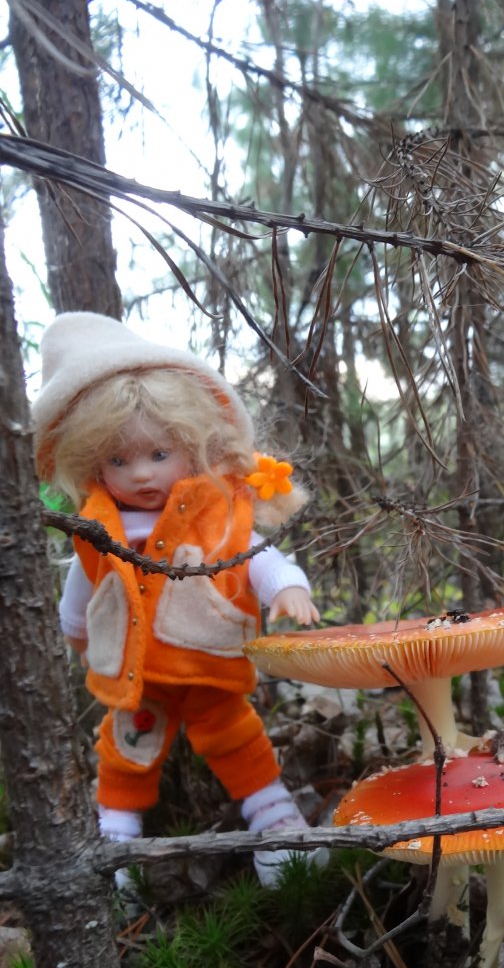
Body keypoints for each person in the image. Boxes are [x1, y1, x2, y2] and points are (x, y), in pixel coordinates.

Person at [31, 311, 322, 888]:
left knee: (234, 735)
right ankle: (115, 845)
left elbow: (256, 555)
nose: (141, 474)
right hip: (136, 674)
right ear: (93, 464)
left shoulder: (219, 510)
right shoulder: (97, 526)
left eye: (159, 455)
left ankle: (277, 827)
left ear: (193, 444)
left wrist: (288, 587)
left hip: (209, 660)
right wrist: (75, 635)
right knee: (126, 749)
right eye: (118, 460)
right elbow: (85, 588)